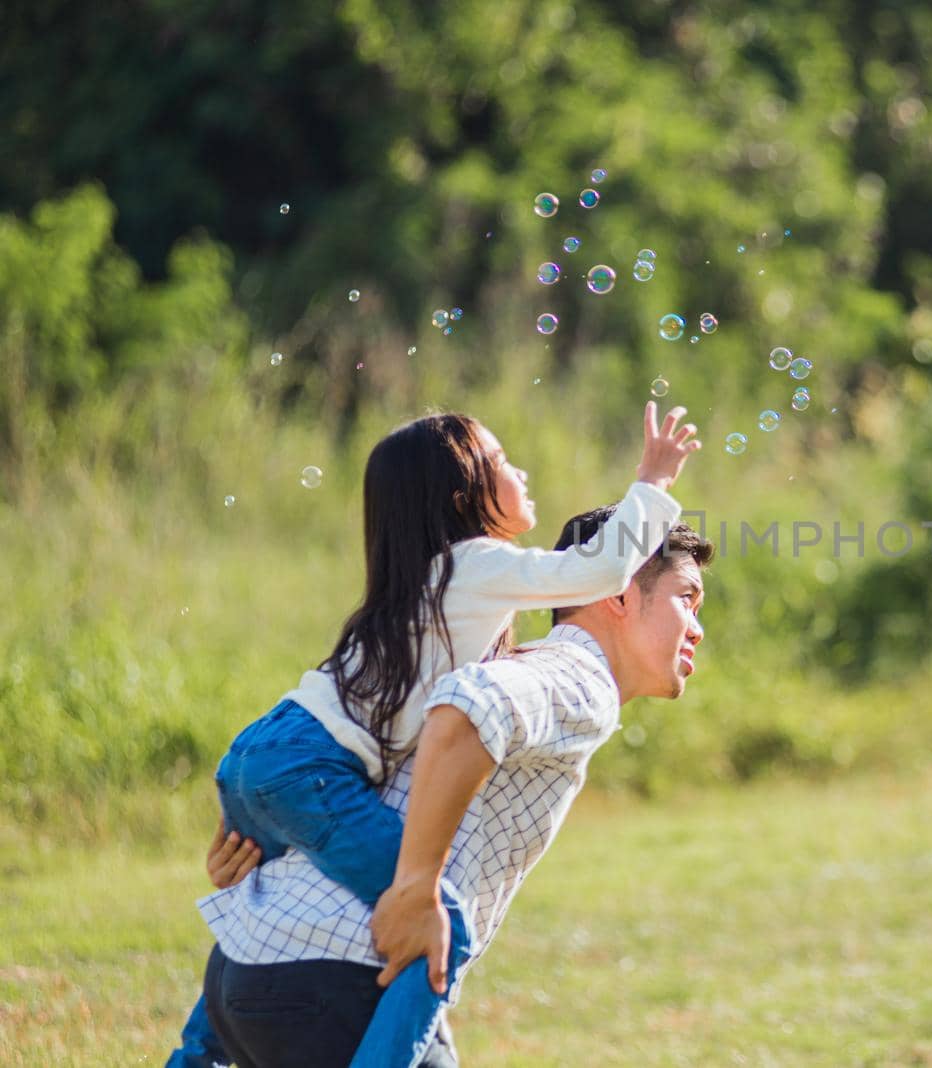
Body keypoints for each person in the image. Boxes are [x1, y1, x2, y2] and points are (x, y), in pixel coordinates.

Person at [168, 403, 700, 1068]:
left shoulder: (442, 606)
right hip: (318, 876)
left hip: (264, 797)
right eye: (688, 599)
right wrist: (652, 483)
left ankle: (193, 1056)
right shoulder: (493, 591)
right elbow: (586, 580)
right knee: (444, 912)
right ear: (463, 499)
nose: (523, 471)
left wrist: (258, 847)